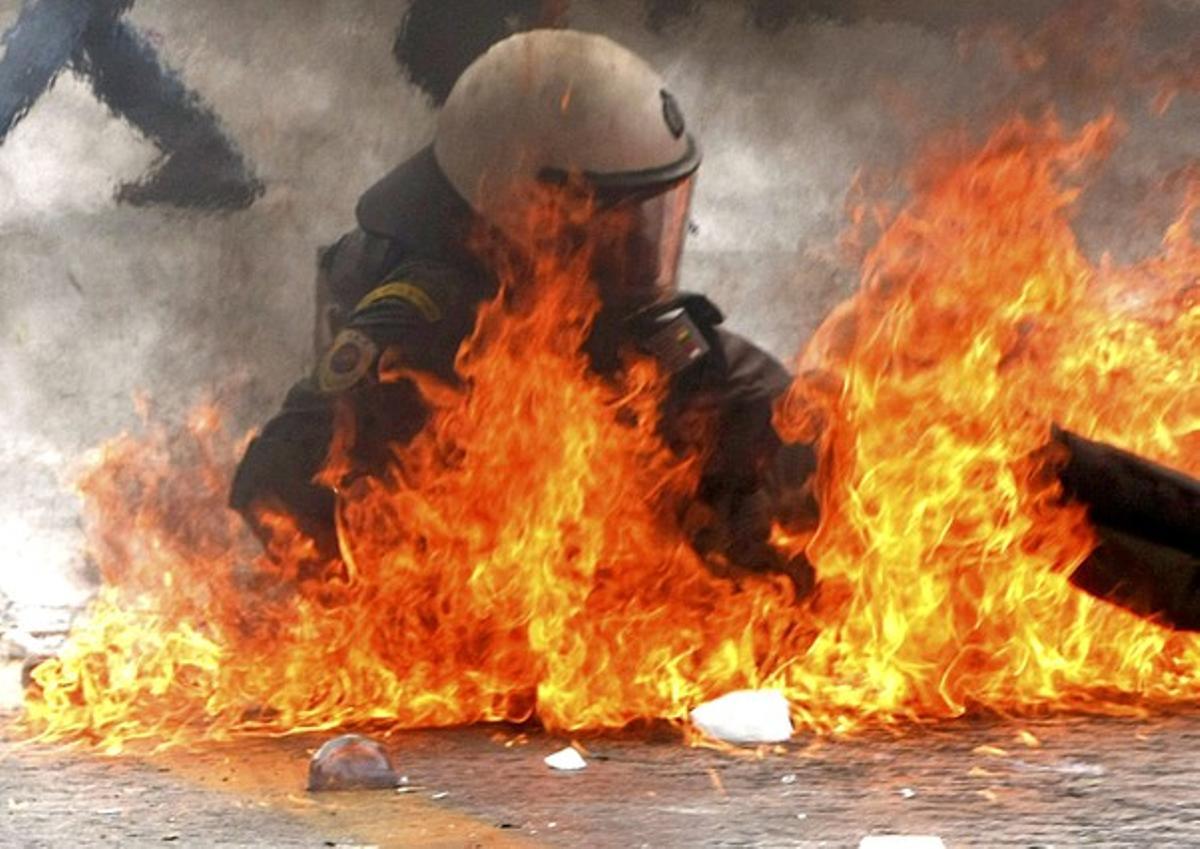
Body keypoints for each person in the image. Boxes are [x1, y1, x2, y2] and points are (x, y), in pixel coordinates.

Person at [231, 29, 818, 592]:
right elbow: (275, 478)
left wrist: (783, 473)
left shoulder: (600, 290)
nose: (639, 246)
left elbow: (729, 385)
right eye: (615, 220)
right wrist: (407, 596)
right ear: (527, 211)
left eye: (653, 213)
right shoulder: (423, 320)